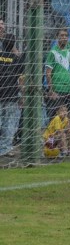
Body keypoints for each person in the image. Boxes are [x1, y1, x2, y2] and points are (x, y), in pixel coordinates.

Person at [0, 19, 23, 157]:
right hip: (12, 95)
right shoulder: (17, 59)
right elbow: (20, 76)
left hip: (1, 94)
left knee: (2, 122)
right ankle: (5, 148)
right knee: (9, 124)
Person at [44, 29, 70, 121]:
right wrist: (51, 90)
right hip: (56, 90)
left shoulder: (69, 52)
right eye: (61, 35)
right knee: (54, 120)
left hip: (68, 90)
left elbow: (66, 69)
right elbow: (48, 73)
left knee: (66, 121)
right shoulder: (52, 52)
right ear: (57, 37)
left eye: (66, 35)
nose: (64, 37)